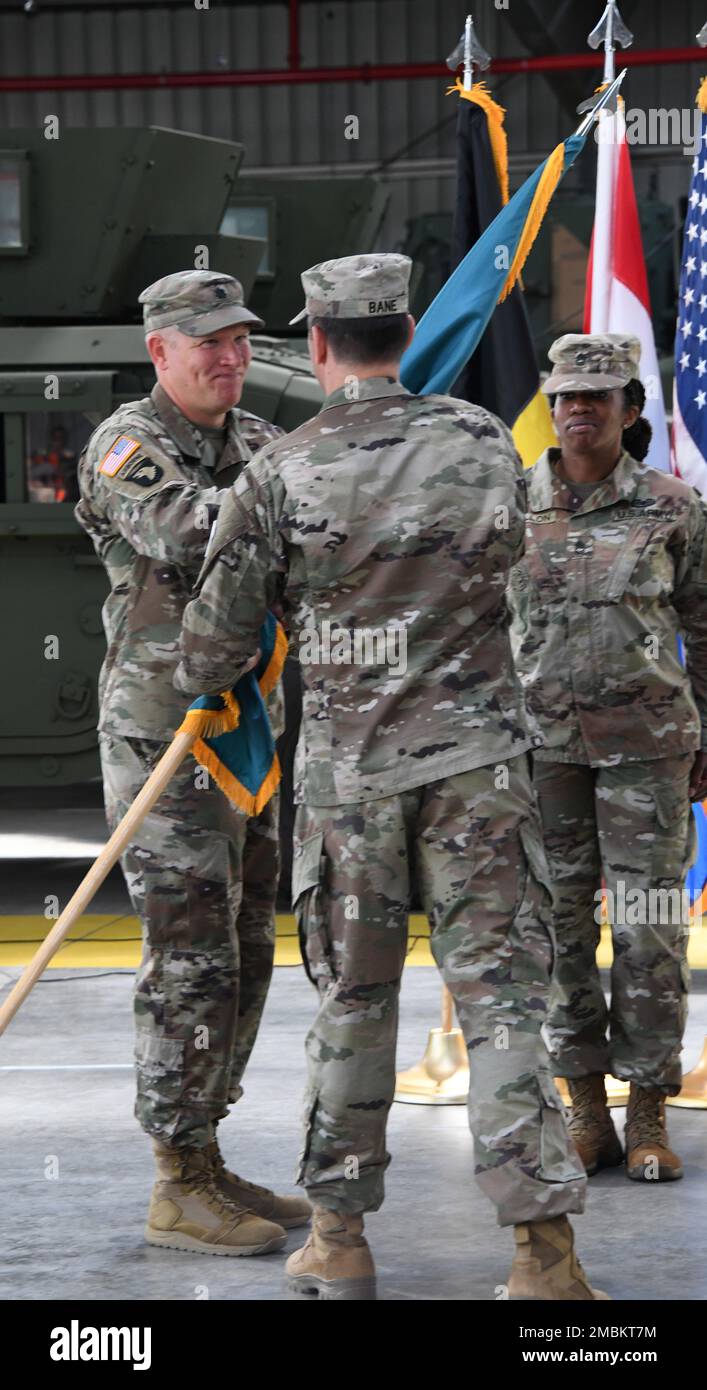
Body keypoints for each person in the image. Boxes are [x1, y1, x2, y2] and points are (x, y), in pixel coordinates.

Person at [174, 253, 606, 1303]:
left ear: (315, 342)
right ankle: (542, 1256)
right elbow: (520, 569)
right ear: (405, 332)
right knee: (502, 1004)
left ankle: (338, 1237)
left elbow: (210, 648)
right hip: (480, 772)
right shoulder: (481, 440)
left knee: (355, 1004)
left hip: (352, 786)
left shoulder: (280, 472)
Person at [75, 269, 311, 1257]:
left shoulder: (256, 442)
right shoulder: (127, 446)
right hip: (167, 739)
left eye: (240, 340)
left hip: (245, 731)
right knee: (187, 959)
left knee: (249, 948)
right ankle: (175, 1180)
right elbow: (199, 535)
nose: (229, 357)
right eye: (207, 341)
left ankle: (206, 1153)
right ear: (158, 350)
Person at [508, 333, 707, 1184]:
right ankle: (584, 1109)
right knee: (555, 931)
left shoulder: (672, 506)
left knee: (650, 928)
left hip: (650, 751)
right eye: (564, 396)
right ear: (549, 407)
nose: (578, 409)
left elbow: (703, 623)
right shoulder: (507, 504)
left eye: (598, 397)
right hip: (540, 749)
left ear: (631, 411)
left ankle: (649, 1110)